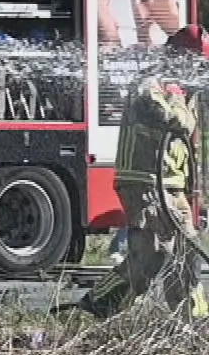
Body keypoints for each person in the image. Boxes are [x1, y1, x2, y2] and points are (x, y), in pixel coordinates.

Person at [79, 24, 209, 319]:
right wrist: (177, 100)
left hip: (172, 186)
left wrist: (195, 194)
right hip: (144, 183)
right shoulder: (150, 82)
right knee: (151, 257)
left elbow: (192, 148)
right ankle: (98, 306)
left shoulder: (184, 88)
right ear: (178, 56)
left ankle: (194, 321)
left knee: (186, 253)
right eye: (195, 62)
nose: (198, 69)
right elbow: (168, 117)